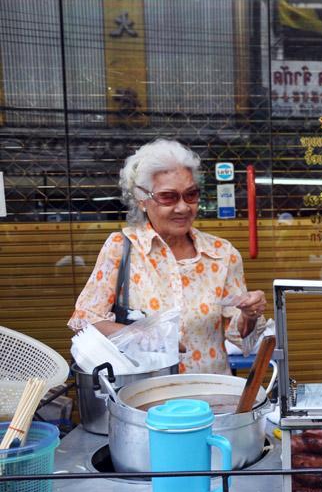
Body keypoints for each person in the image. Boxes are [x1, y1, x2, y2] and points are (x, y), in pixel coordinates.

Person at [68, 139, 266, 375]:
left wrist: (249, 314)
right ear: (142, 200)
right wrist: (140, 335)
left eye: (191, 195)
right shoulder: (122, 248)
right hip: (147, 400)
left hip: (209, 397)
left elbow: (242, 340)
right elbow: (86, 321)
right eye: (168, 197)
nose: (183, 208)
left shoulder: (222, 254)